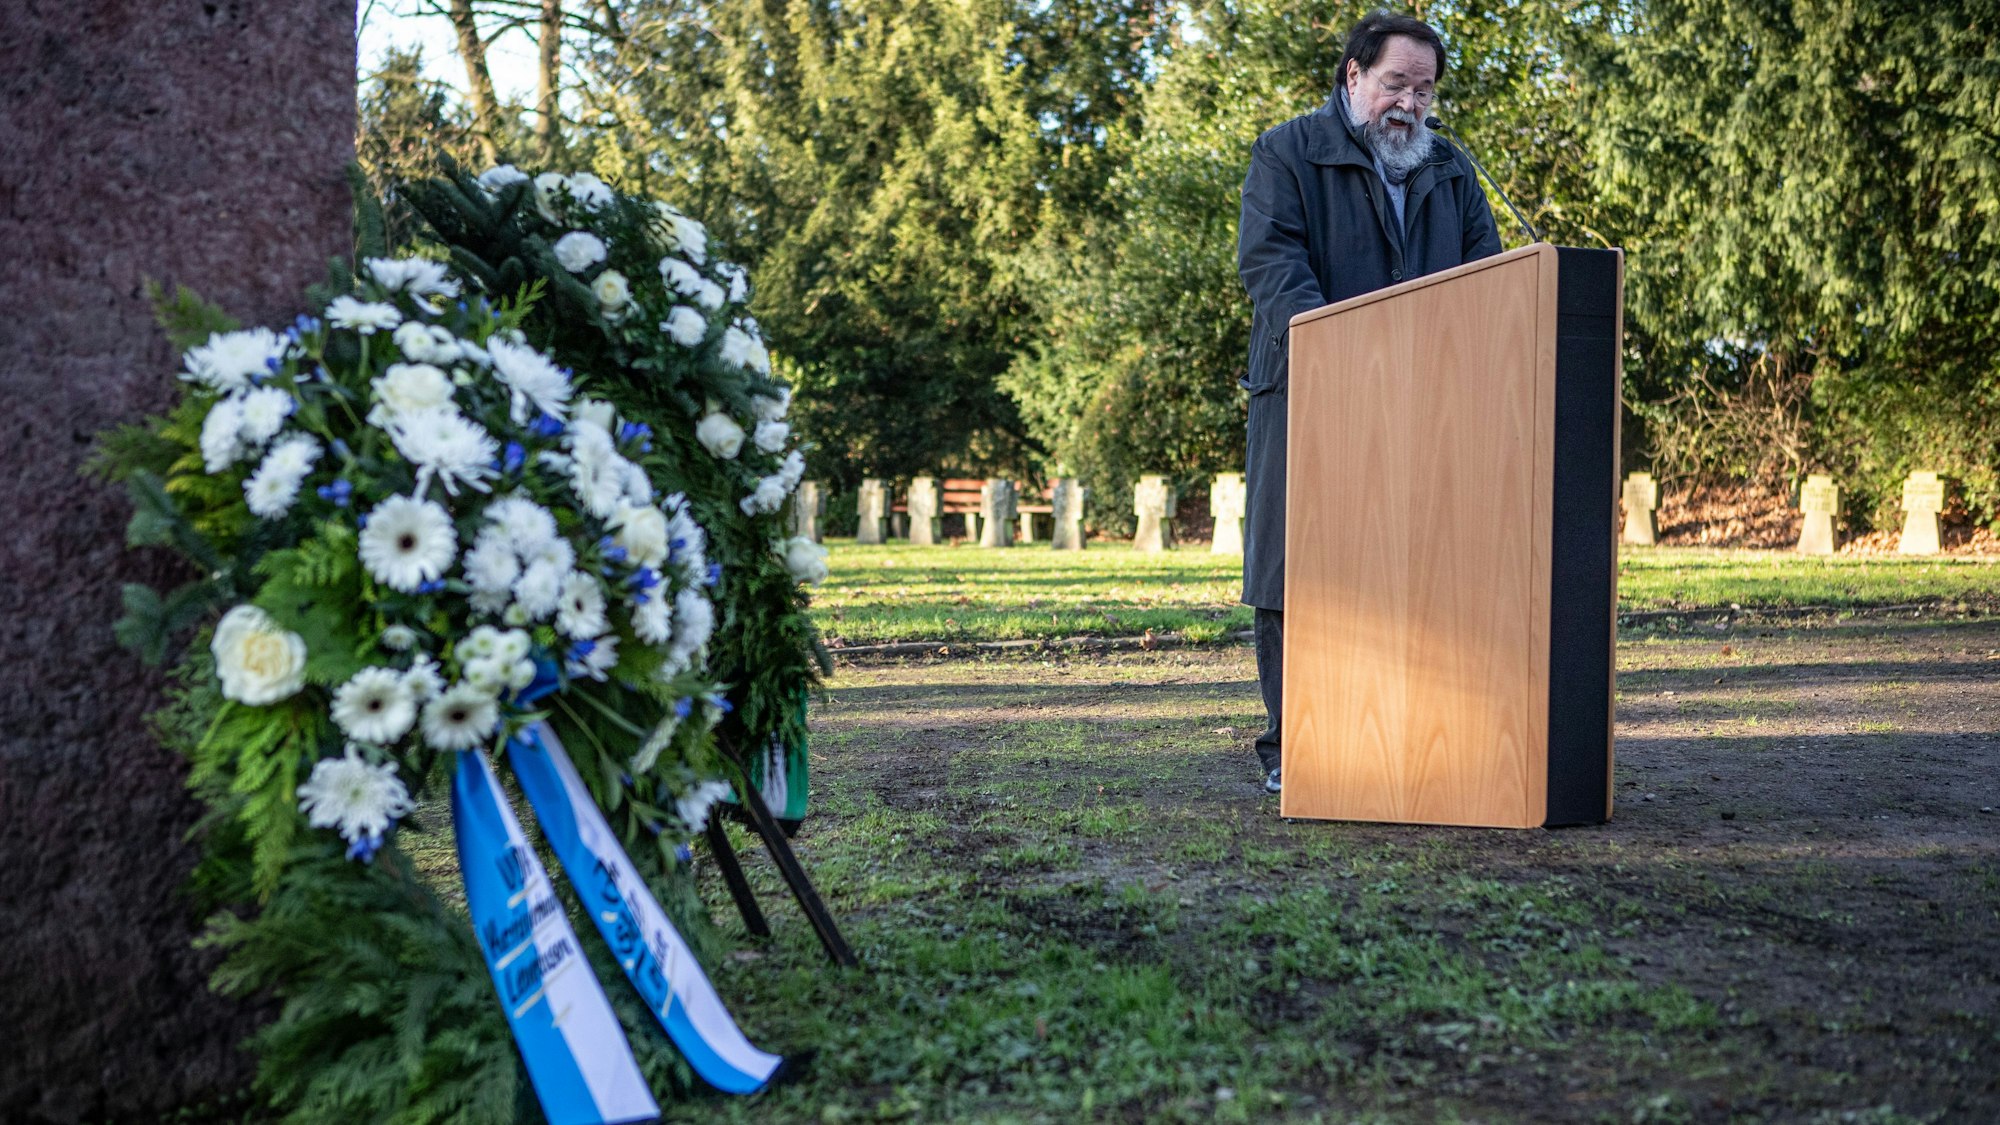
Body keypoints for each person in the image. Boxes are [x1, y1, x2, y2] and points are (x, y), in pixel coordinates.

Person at [1235, 11, 1503, 795]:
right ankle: (1297, 746)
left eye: (1424, 89)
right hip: (1311, 393)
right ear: (1353, 78)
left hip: (1429, 404)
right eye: (1396, 83)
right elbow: (1272, 263)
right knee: (1299, 574)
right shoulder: (1287, 152)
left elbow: (1487, 275)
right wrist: (1335, 347)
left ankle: (1413, 732)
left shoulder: (1449, 169)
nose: (1410, 103)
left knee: (1420, 563)